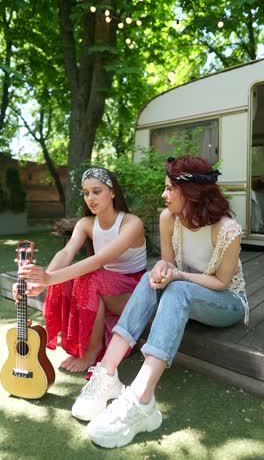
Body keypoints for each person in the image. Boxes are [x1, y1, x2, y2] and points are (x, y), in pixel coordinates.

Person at [68, 155, 248, 449]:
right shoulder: (168, 219)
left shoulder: (227, 229)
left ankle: (141, 400)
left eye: (169, 189)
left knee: (178, 289)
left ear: (190, 193)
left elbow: (221, 283)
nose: (164, 195)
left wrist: (176, 276)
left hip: (227, 302)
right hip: (187, 287)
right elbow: (168, 263)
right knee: (149, 278)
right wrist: (164, 271)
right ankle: (106, 374)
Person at [15, 167, 146, 373]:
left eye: (97, 191)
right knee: (73, 275)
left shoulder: (131, 223)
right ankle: (76, 338)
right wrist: (39, 283)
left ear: (112, 192)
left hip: (134, 293)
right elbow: (66, 253)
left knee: (89, 275)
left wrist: (49, 278)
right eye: (86, 193)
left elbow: (99, 260)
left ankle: (92, 351)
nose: (90, 198)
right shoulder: (86, 223)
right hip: (106, 287)